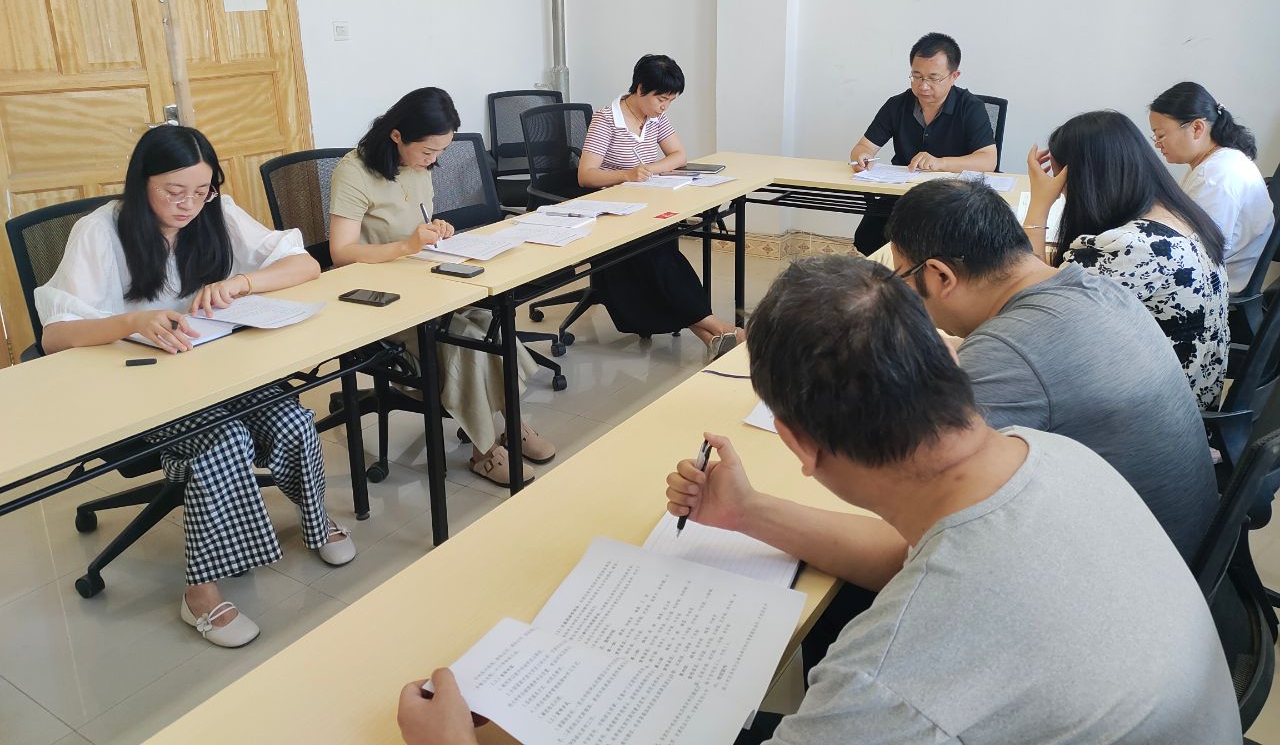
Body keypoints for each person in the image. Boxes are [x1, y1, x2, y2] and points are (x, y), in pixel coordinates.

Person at [395, 256, 1240, 744]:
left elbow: (921, 615)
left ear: (797, 442)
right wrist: (746, 514)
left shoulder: (886, 682)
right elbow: (915, 560)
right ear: (942, 354)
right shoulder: (1045, 457)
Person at [36, 125, 354, 648]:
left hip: (213, 368)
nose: (188, 204)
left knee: (293, 419)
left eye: (200, 190)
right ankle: (200, 591)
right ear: (142, 182)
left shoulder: (216, 211)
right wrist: (132, 322)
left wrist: (241, 282)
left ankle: (316, 521)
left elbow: (304, 264)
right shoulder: (99, 232)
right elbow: (54, 336)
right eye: (173, 191)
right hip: (140, 383)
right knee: (224, 441)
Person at [884, 177, 1218, 561]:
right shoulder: (1095, 288)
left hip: (1135, 573)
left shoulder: (1008, 350)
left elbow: (910, 541)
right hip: (1186, 549)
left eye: (903, 279)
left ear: (940, 275)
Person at [329, 87, 553, 488]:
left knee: (492, 324)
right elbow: (341, 253)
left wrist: (436, 230)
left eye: (441, 151)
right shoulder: (354, 171)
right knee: (467, 337)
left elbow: (416, 226)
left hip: (424, 281)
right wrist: (406, 246)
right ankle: (484, 449)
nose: (434, 161)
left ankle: (511, 424)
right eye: (428, 151)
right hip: (381, 300)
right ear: (396, 135)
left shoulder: (418, 165)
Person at [1024, 110, 1230, 409]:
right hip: (1194, 391)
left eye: (1060, 181)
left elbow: (1036, 312)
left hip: (1161, 414)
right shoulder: (1181, 214)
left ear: (1084, 179)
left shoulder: (1129, 246)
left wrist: (1039, 205)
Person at [577, 53, 744, 361]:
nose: (665, 107)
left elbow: (679, 155)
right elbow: (586, 175)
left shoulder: (654, 117)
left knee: (664, 260)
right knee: (660, 261)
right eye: (661, 99)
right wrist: (626, 175)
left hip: (645, 207)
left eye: (670, 101)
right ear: (640, 89)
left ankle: (712, 336)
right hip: (613, 214)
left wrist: (650, 170)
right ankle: (720, 328)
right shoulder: (606, 120)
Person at [848, 32, 997, 253]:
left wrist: (940, 163)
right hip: (903, 195)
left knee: (934, 244)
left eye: (933, 78)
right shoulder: (897, 105)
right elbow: (864, 147)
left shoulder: (971, 108)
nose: (923, 86)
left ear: (954, 76)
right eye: (916, 76)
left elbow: (988, 160)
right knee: (868, 237)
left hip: (955, 198)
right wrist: (861, 157)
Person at [1149, 81, 1273, 292]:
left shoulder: (1216, 175)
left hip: (1218, 285)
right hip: (1216, 274)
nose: (1157, 143)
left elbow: (1197, 251)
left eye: (1161, 135)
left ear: (1197, 128)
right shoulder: (1216, 162)